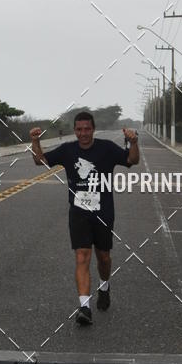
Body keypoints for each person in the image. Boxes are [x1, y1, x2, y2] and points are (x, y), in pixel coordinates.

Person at [30, 112, 139, 325]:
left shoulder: (106, 148)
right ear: (75, 131)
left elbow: (131, 160)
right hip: (78, 212)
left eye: (87, 129)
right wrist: (35, 142)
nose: (83, 133)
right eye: (79, 129)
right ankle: (84, 307)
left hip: (103, 212)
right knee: (82, 256)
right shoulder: (67, 150)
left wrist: (134, 142)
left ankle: (104, 286)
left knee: (104, 258)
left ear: (93, 129)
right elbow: (40, 162)